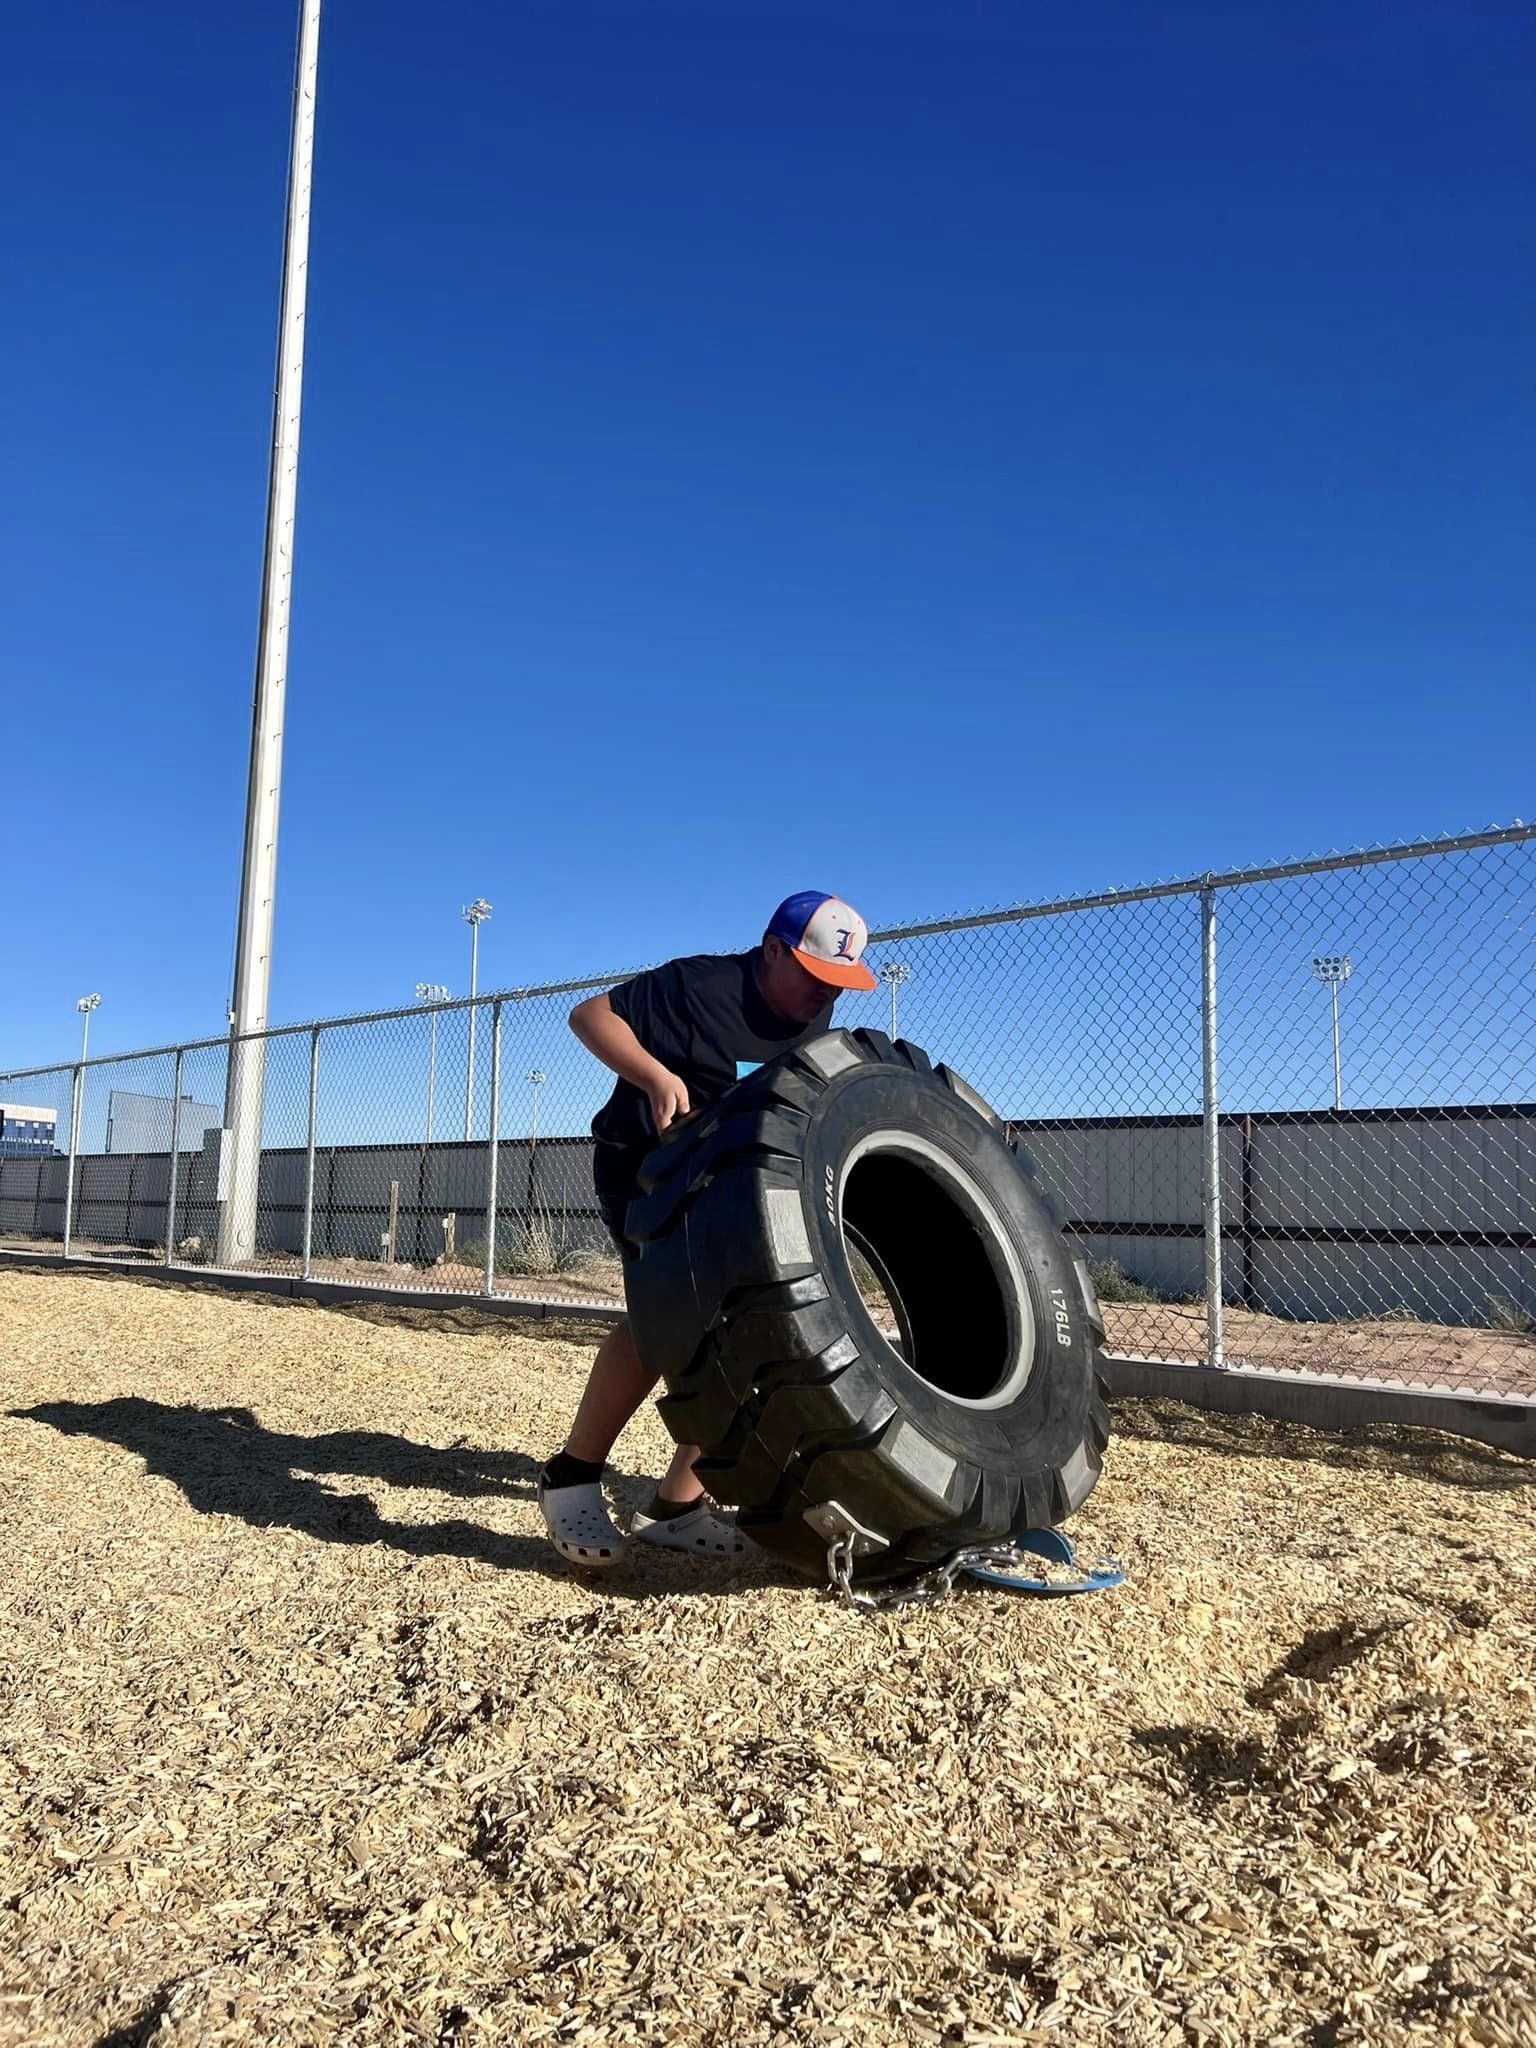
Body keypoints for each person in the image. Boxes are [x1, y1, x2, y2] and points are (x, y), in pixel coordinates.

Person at [537, 892, 879, 1566]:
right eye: (814, 975)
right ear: (774, 949)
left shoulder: (818, 1009)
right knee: (665, 1314)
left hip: (736, 1189)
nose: (823, 995)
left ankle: (676, 1504)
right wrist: (656, 1076)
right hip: (646, 1170)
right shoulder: (701, 985)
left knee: (751, 1334)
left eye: (837, 984)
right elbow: (589, 1016)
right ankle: (570, 1477)